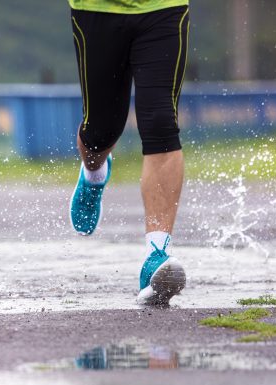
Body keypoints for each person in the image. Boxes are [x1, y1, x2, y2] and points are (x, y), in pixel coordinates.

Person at [67, 0, 189, 305]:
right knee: (100, 130)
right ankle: (94, 173)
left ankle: (155, 255)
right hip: (97, 10)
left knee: (161, 121)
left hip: (164, 8)